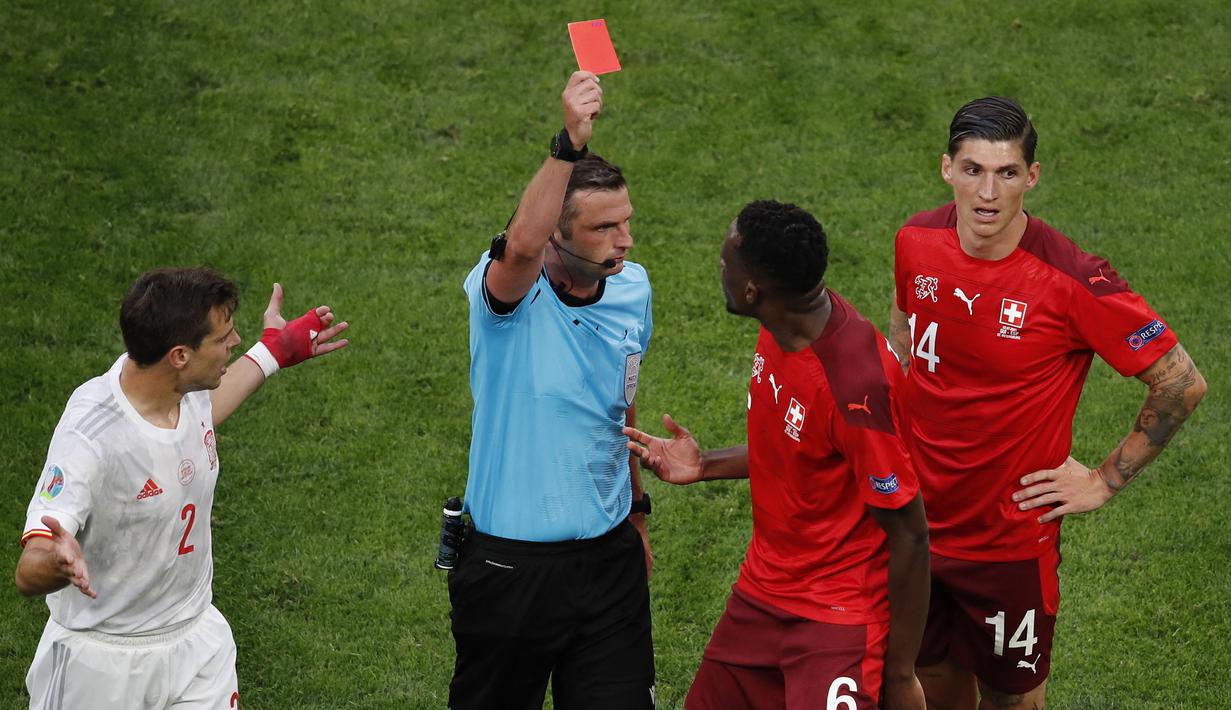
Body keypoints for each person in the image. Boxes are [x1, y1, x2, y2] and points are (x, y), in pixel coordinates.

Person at [888, 96, 1207, 709]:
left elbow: (1180, 382)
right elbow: (904, 329)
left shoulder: (1073, 280)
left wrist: (1104, 480)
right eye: (973, 169)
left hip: (1007, 544)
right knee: (928, 679)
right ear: (946, 169)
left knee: (1014, 701)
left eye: (1007, 173)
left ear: (1030, 177)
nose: (988, 192)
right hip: (916, 525)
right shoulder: (915, 239)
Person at [625, 200, 930, 710]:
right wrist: (707, 465)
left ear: (752, 290)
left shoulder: (855, 390)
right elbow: (802, 449)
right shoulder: (784, 322)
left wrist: (900, 674)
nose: (720, 269)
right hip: (761, 595)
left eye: (726, 264)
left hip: (837, 620)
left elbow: (911, 532)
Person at [16, 267, 348, 709]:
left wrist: (274, 351)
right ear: (179, 355)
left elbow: (201, 417)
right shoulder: (91, 436)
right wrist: (58, 562)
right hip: (102, 664)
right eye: (223, 337)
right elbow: (28, 568)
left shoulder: (182, 391)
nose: (235, 341)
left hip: (196, 645)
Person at [449, 70, 654, 710]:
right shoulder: (508, 298)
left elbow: (621, 402)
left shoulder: (633, 288)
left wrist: (639, 515)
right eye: (603, 229)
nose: (625, 240)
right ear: (559, 237)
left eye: (626, 222)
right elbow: (519, 246)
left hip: (609, 563)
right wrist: (567, 143)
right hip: (510, 572)